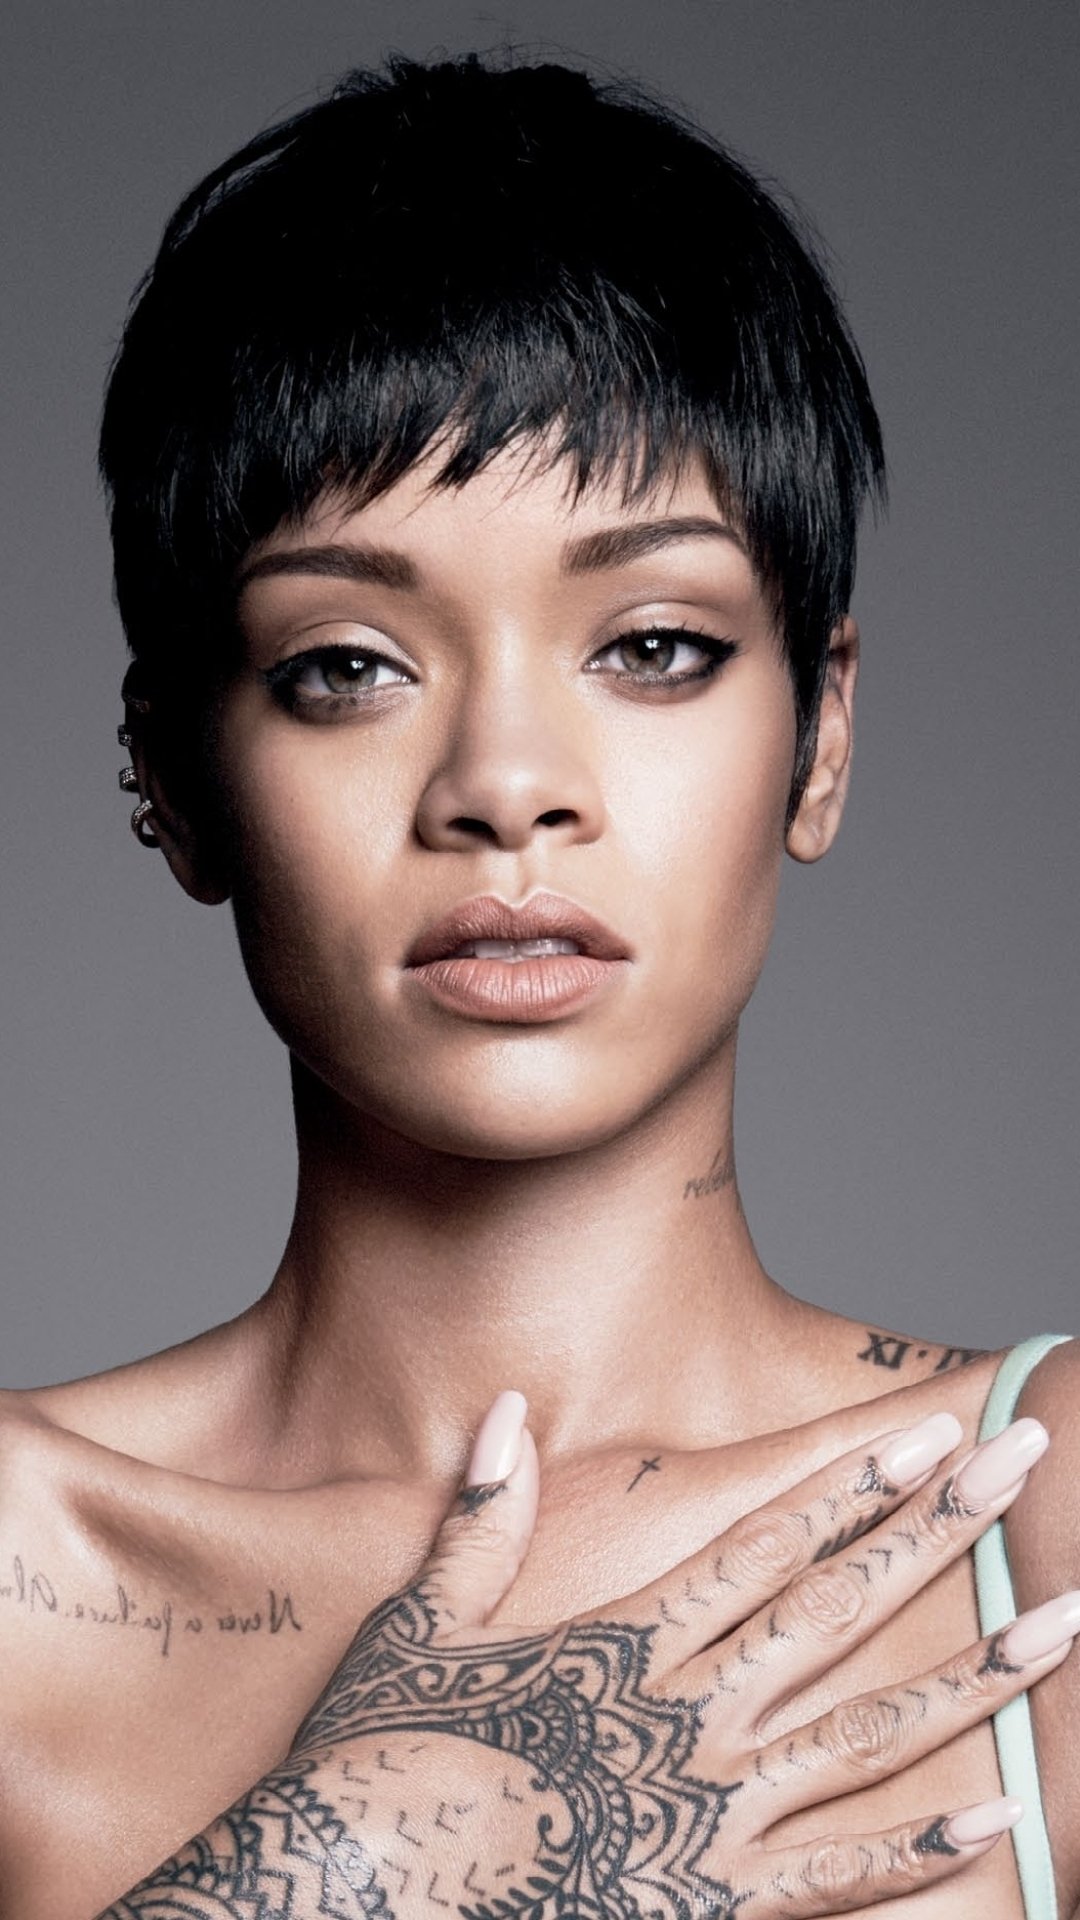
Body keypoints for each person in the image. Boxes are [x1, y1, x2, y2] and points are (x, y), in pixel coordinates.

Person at [0, 49, 1076, 1920]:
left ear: (820, 739)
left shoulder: (1037, 1532)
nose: (507, 782)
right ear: (173, 781)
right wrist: (339, 1867)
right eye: (345, 663)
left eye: (653, 645)